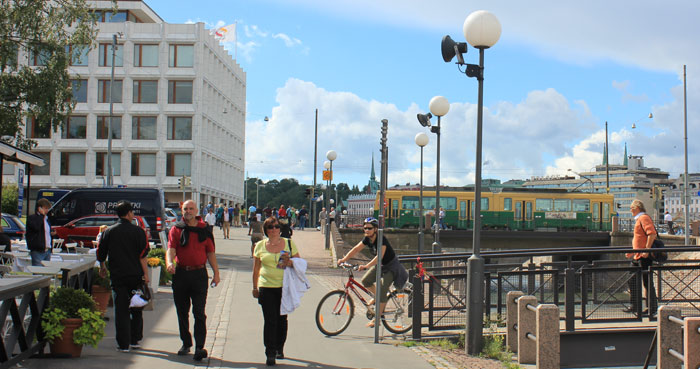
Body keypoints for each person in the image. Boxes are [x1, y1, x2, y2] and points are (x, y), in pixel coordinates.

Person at [166, 200, 220, 361]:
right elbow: (171, 248)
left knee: (199, 312)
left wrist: (216, 273)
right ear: (182, 211)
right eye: (185, 209)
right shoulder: (176, 229)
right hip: (181, 274)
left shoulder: (204, 230)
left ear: (197, 210)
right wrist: (169, 262)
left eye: (191, 208)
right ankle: (186, 342)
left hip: (199, 275)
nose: (188, 211)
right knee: (182, 312)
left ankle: (199, 347)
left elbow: (210, 253)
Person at [97, 201, 150, 352]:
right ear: (128, 214)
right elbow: (143, 256)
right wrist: (146, 274)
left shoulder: (108, 231)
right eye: (132, 212)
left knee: (121, 310)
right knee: (136, 307)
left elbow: (101, 253)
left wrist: (102, 267)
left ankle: (123, 344)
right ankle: (135, 339)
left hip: (118, 276)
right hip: (135, 276)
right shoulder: (139, 232)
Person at [336, 217, 408, 327]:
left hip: (391, 267)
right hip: (380, 265)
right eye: (365, 228)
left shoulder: (381, 239)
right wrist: (344, 259)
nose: (366, 230)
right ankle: (377, 297)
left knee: (383, 289)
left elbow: (380, 256)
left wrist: (366, 266)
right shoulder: (367, 239)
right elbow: (356, 249)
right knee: (366, 280)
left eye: (369, 228)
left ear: (375, 229)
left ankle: (377, 319)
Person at [252, 217, 300, 366]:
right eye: (270, 227)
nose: (274, 230)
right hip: (266, 286)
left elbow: (300, 263)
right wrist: (255, 287)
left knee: (281, 319)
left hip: (284, 286)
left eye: (276, 227)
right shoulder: (259, 245)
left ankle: (280, 347)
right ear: (266, 230)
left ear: (280, 229)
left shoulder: (289, 243)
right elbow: (256, 268)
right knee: (270, 320)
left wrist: (289, 262)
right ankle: (270, 352)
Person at [625, 199, 658, 316]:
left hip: (644, 256)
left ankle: (652, 308)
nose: (630, 210)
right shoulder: (639, 219)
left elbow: (651, 233)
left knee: (647, 282)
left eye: (631, 208)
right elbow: (640, 238)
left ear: (637, 208)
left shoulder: (643, 218)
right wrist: (633, 252)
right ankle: (635, 305)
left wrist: (647, 250)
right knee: (632, 279)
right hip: (638, 255)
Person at [26, 198, 55, 266]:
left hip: (47, 250)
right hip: (37, 250)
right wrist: (41, 216)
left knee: (46, 272)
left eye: (48, 208)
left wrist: (51, 234)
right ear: (40, 208)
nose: (47, 210)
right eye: (45, 208)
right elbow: (36, 227)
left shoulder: (46, 219)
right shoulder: (32, 218)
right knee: (38, 272)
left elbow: (45, 232)